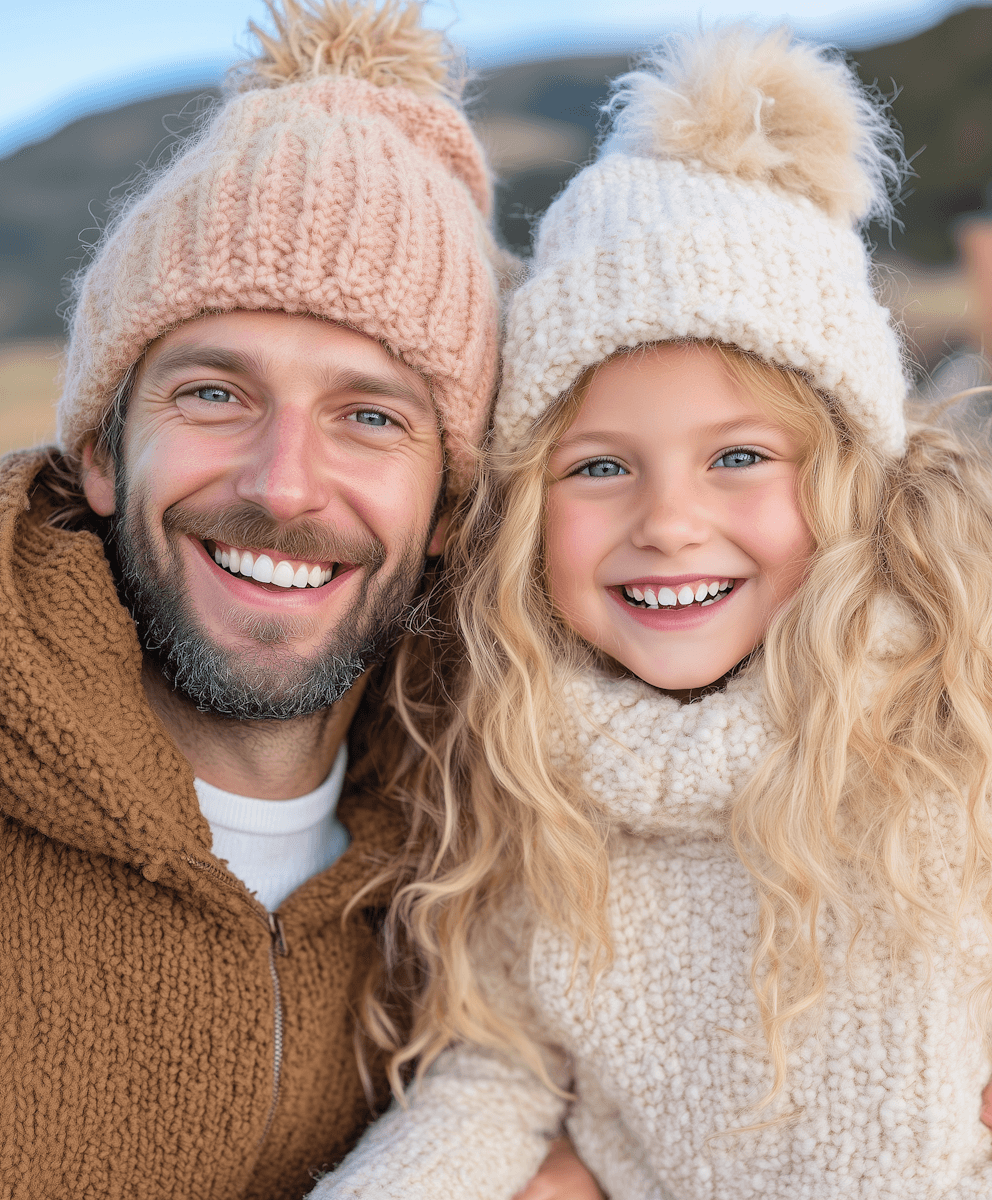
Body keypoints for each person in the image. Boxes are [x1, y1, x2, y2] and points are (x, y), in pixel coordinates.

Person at [311, 26, 992, 1198]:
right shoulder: (534, 770)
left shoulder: (952, 730)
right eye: (599, 468)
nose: (668, 521)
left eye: (736, 457)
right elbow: (504, 1066)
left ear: (850, 484)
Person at [0, 2, 604, 1196]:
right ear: (106, 452)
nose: (283, 486)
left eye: (369, 416)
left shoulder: (496, 874)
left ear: (446, 511)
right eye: (215, 393)